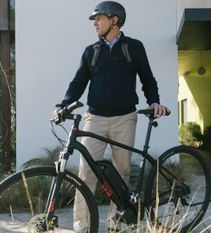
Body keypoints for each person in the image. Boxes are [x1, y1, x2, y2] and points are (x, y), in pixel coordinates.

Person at [54, 1, 169, 231]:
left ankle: (116, 224)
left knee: (121, 173)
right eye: (95, 20)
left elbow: (148, 79)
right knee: (85, 174)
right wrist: (63, 105)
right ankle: (82, 227)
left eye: (99, 18)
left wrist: (154, 101)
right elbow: (77, 83)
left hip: (124, 118)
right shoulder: (91, 52)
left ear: (114, 20)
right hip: (94, 118)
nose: (95, 23)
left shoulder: (133, 47)